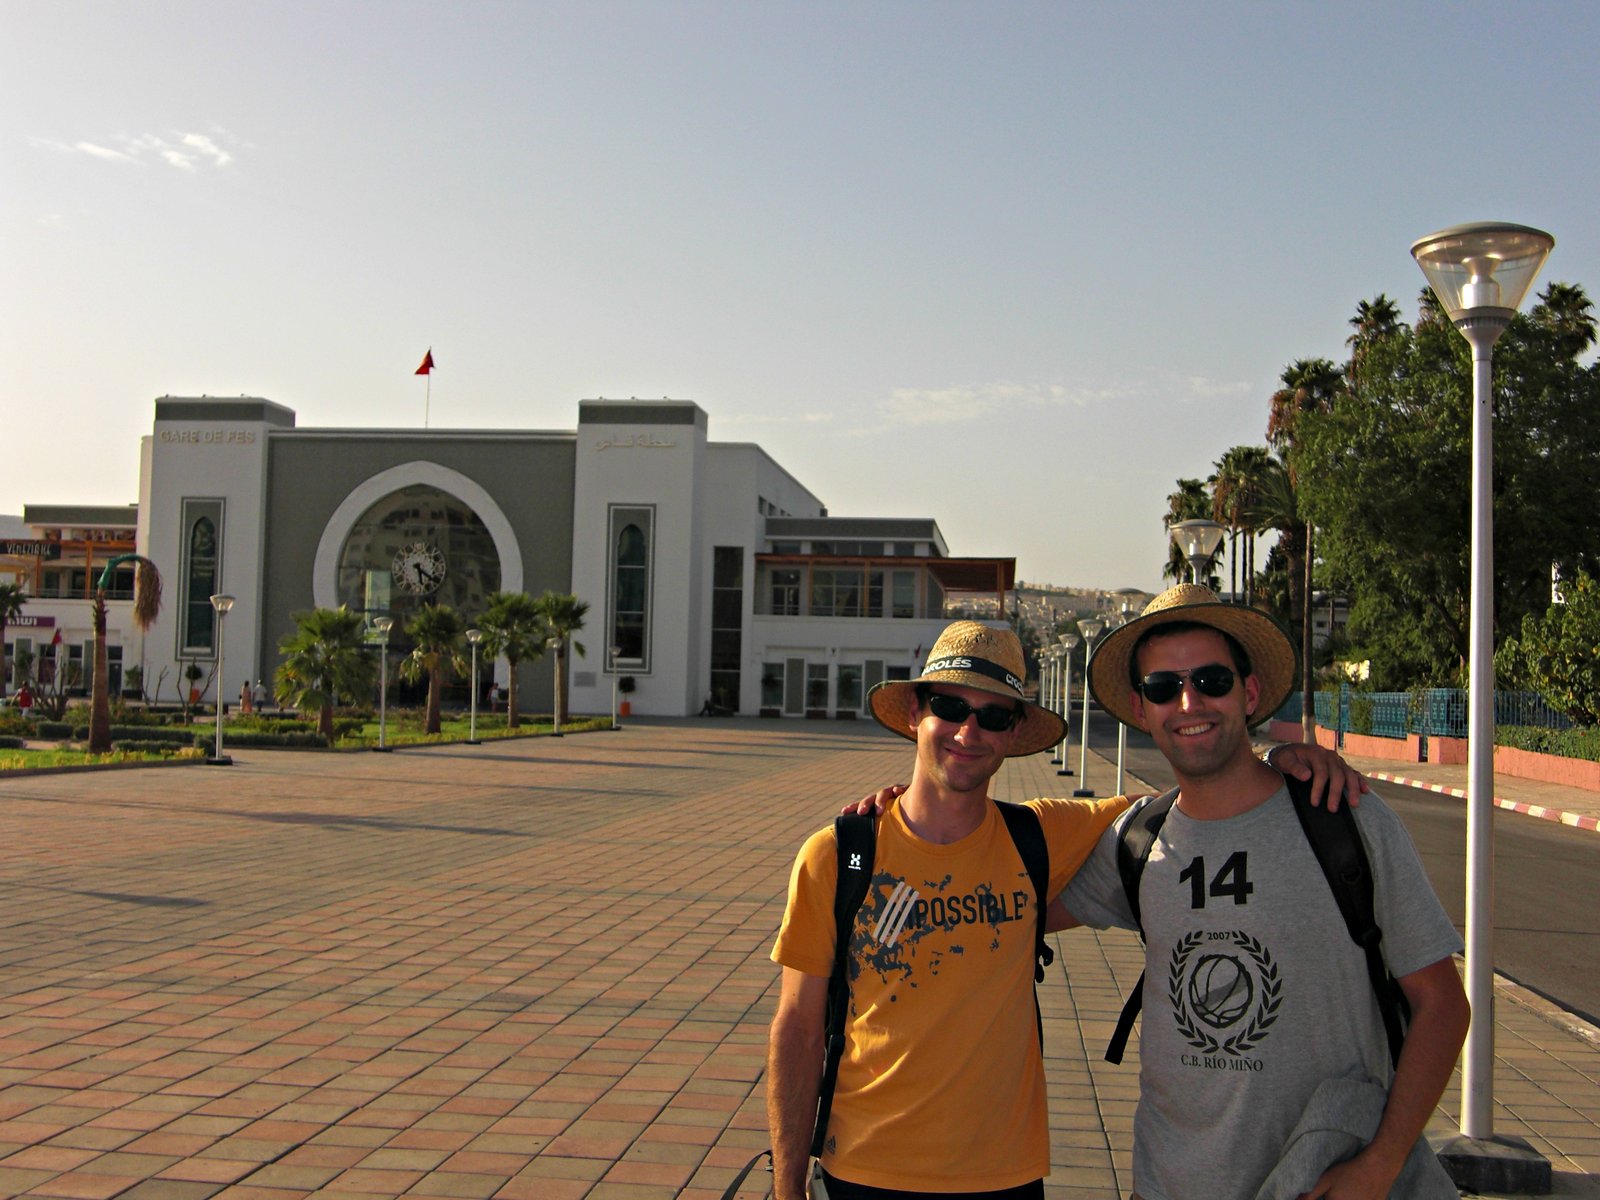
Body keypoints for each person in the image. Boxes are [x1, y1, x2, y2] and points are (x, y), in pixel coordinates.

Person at [767, 620, 1359, 1200]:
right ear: (918, 713)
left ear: (1012, 731)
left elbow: (1194, 794)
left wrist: (1278, 758)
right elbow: (796, 1029)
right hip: (864, 1171)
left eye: (993, 716)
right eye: (950, 707)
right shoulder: (838, 857)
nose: (968, 732)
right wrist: (788, 1179)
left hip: (1005, 1176)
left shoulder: (1042, 835)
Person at [1056, 584, 1468, 1200]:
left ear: (1248, 693)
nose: (1188, 702)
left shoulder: (1345, 818)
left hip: (1321, 1179)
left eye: (1212, 680)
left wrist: (1380, 1165)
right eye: (1164, 688)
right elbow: (1007, 901)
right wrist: (899, 819)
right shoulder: (1137, 842)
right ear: (1141, 710)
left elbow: (1442, 1006)